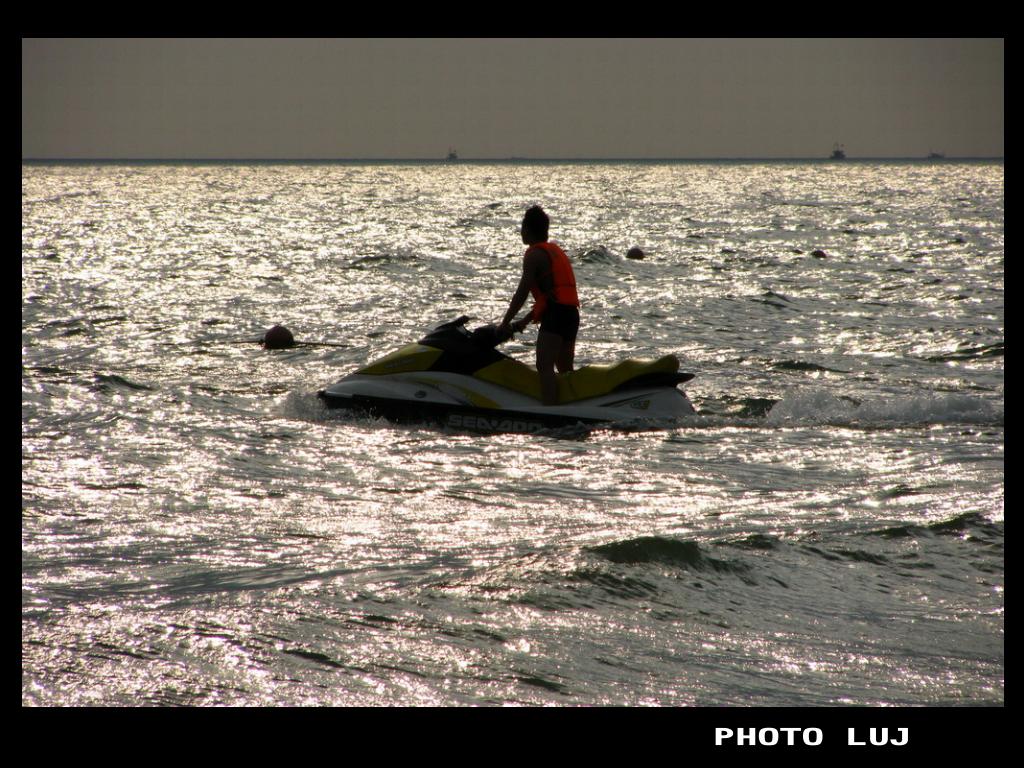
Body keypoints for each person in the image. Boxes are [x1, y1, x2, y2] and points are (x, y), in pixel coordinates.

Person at [499, 205, 580, 405]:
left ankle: (550, 412)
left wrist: (505, 322)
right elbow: (549, 298)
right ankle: (575, 406)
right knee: (565, 370)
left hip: (556, 317)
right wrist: (523, 321)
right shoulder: (555, 251)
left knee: (544, 366)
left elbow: (522, 292)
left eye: (522, 228)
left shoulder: (533, 255)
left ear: (527, 229)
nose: (520, 232)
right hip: (571, 314)